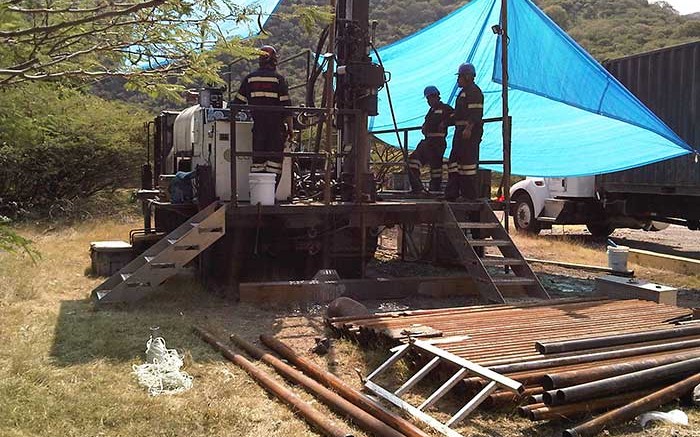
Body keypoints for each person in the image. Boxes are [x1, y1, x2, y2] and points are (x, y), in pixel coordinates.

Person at [232, 45, 293, 186]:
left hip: (258, 127)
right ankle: (270, 196)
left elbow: (237, 104)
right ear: (273, 60)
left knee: (258, 162)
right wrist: (290, 129)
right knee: (275, 164)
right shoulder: (279, 79)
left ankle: (257, 194)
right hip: (276, 129)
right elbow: (287, 108)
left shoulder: (250, 79)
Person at [445, 62, 484, 201]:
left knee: (467, 165)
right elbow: (459, 114)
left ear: (467, 76)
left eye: (460, 77)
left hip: (469, 133)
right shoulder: (463, 92)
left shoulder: (474, 92)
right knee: (454, 163)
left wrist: (469, 128)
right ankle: (453, 193)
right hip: (460, 131)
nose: (458, 80)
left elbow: (475, 113)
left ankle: (469, 196)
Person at [408, 86, 454, 194]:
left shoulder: (445, 108)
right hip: (427, 141)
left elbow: (456, 115)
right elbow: (428, 122)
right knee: (412, 160)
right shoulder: (431, 111)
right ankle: (417, 188)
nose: (429, 101)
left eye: (430, 98)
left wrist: (445, 122)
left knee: (436, 168)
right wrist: (424, 126)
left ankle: (435, 189)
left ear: (436, 97)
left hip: (438, 142)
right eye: (428, 99)